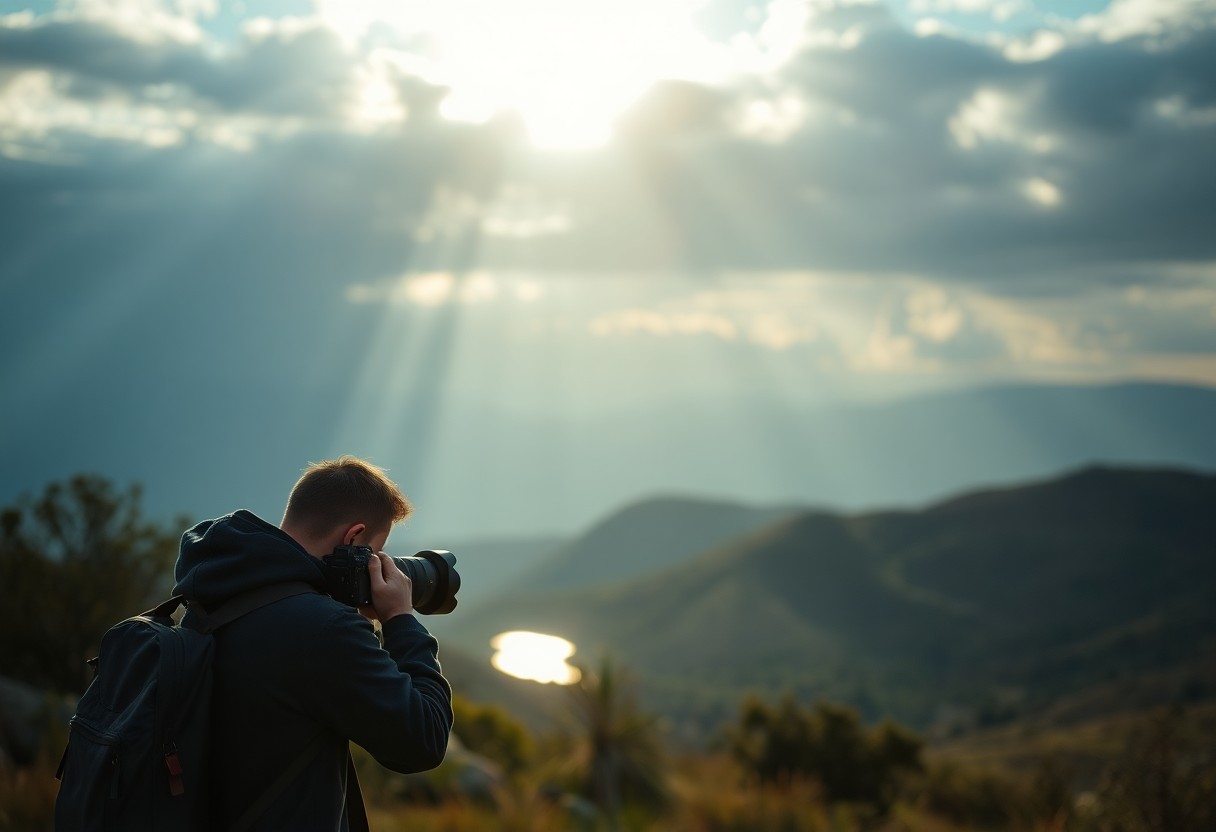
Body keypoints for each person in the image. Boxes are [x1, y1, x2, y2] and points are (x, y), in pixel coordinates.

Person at [172, 456, 453, 831]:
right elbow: (423, 741)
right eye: (375, 553)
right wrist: (400, 620)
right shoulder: (324, 630)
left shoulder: (215, 592)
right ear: (353, 539)